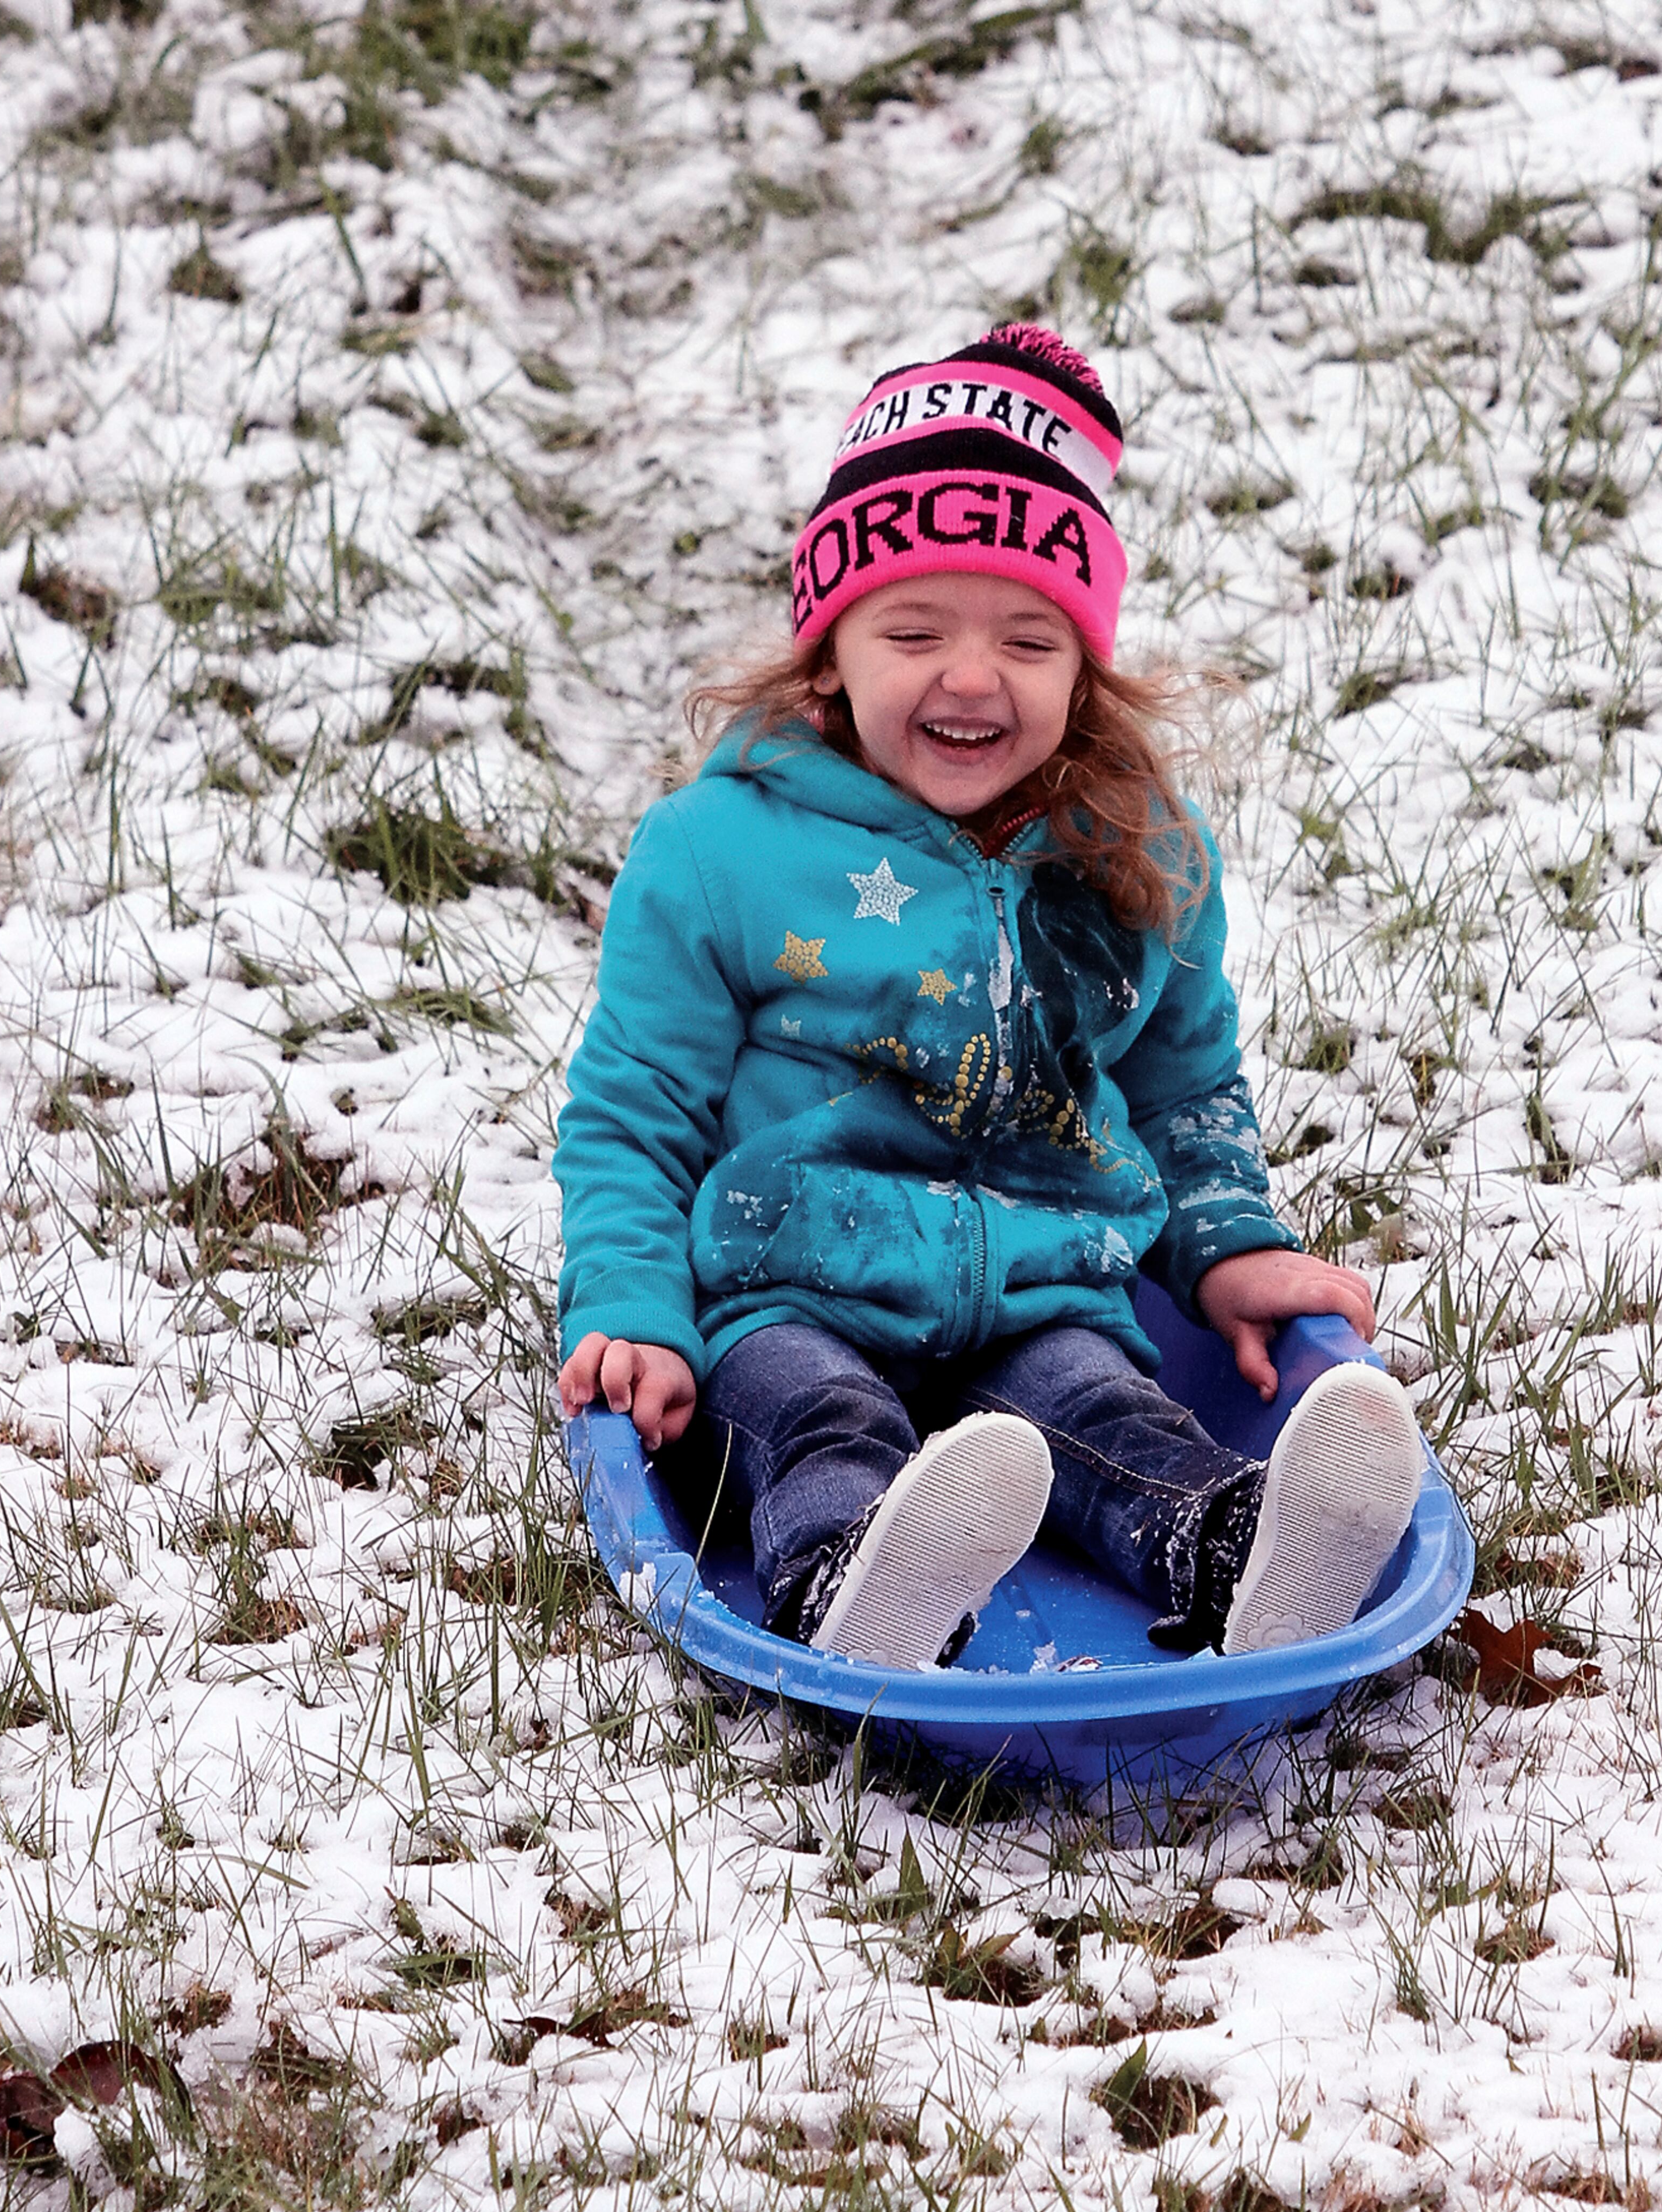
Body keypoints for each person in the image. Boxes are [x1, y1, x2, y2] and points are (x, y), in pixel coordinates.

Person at [554, 322, 1424, 1669]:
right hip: (786, 1295)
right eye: (914, 630)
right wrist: (631, 1317)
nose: (972, 677)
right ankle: (860, 1577)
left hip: (1046, 1292)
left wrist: (1229, 1243)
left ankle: (1246, 1555)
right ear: (829, 652)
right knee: (819, 1421)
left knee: (1110, 1425)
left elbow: (1186, 1088)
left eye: (1030, 638)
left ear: (1083, 673)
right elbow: (635, 1112)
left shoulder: (1137, 856)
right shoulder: (720, 852)